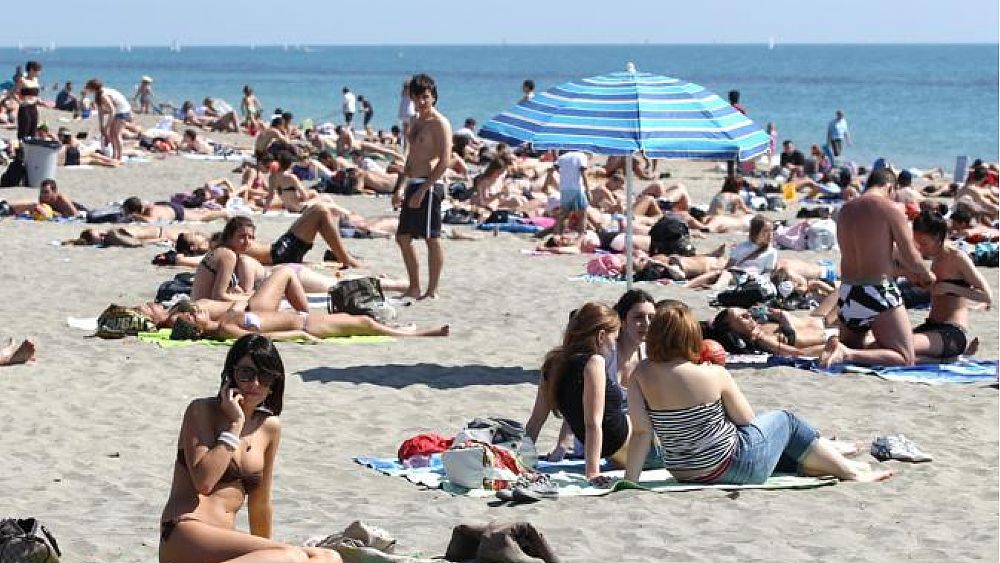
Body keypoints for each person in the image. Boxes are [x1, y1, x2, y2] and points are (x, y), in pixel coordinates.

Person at [624, 304, 894, 485]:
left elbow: (641, 433)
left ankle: (824, 459)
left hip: (683, 472)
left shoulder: (641, 374)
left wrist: (631, 481)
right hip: (729, 467)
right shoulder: (713, 374)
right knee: (785, 421)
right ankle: (850, 472)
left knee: (777, 442)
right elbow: (747, 420)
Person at [158, 335, 340, 562]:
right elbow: (204, 482)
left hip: (223, 545)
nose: (255, 384)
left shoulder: (269, 427)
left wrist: (269, 550)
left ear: (274, 383)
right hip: (186, 531)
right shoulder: (201, 411)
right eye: (246, 374)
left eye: (264, 376)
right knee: (291, 556)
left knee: (328, 557)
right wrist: (236, 424)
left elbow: (260, 503)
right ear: (230, 375)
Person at [820, 169, 935, 367]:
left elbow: (868, 253)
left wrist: (906, 273)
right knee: (905, 357)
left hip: (848, 292)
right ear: (890, 188)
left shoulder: (845, 210)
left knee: (853, 351)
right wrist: (927, 275)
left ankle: (844, 351)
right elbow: (910, 255)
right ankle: (847, 353)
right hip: (877, 292)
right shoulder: (889, 208)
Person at [525, 303, 629, 485]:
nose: (615, 344)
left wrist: (520, 460)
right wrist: (593, 472)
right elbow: (593, 423)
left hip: (614, 450)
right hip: (627, 447)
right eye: (615, 337)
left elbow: (535, 421)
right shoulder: (594, 362)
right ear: (601, 336)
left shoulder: (552, 363)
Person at [391, 74, 452, 300]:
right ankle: (414, 286)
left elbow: (445, 160)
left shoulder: (440, 123)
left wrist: (424, 189)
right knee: (403, 238)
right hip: (412, 183)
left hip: (429, 185)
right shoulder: (415, 123)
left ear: (433, 97)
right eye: (417, 98)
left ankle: (432, 290)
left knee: (431, 238)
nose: (422, 102)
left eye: (426, 97)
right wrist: (399, 188)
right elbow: (410, 159)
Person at [910, 211, 992, 359]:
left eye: (923, 244)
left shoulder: (958, 258)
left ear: (938, 238)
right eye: (917, 244)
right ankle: (954, 358)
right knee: (888, 345)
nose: (920, 249)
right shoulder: (936, 259)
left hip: (952, 331)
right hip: (931, 326)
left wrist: (951, 288)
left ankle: (955, 358)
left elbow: (987, 297)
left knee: (904, 351)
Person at [84, 78, 132, 161]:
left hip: (123, 111)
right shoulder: (98, 95)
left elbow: (112, 110)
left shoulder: (103, 95)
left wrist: (107, 126)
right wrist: (101, 126)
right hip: (117, 110)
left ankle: (119, 157)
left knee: (116, 135)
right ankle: (114, 155)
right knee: (111, 134)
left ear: (93, 88)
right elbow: (100, 112)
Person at [554, 150, 590, 235]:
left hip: (564, 188)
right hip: (576, 188)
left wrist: (565, 175)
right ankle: (581, 236)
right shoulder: (582, 156)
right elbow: (583, 172)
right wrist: (588, 190)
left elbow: (556, 167)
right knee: (583, 214)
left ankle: (558, 235)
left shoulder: (562, 157)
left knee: (564, 214)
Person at [122, 196, 229, 223]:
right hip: (167, 206)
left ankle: (223, 213)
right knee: (197, 213)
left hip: (175, 212)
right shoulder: (147, 207)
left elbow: (151, 221)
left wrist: (135, 216)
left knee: (200, 217)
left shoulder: (151, 212)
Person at [14, 61, 41, 139]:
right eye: (38, 70)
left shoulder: (36, 80)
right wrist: (20, 102)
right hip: (25, 108)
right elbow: (13, 93)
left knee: (33, 128)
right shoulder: (22, 80)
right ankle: (21, 148)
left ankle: (30, 149)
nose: (39, 73)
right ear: (31, 70)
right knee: (24, 128)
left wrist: (38, 100)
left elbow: (34, 94)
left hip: (34, 107)